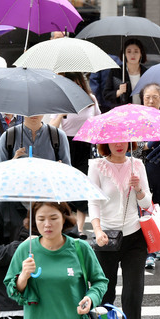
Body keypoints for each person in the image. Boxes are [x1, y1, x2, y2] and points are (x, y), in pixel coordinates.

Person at [5, 201, 108, 319]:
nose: (47, 224)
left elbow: (100, 282)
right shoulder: (25, 249)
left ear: (64, 218)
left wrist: (91, 298)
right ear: (34, 221)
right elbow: (11, 290)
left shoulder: (80, 248)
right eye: (41, 219)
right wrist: (23, 277)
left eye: (53, 218)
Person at [88, 142, 152, 319]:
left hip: (134, 237)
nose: (119, 144)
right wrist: (97, 230)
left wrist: (138, 188)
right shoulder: (96, 166)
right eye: (114, 140)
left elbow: (147, 203)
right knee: (105, 294)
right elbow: (93, 202)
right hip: (106, 238)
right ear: (106, 143)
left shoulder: (137, 165)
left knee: (133, 293)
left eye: (123, 139)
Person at [50, 72, 101, 238]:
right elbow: (52, 127)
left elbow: (99, 121)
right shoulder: (59, 101)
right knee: (67, 186)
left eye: (77, 84)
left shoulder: (91, 99)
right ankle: (69, 224)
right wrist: (60, 112)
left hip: (86, 145)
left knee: (83, 186)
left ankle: (79, 228)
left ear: (82, 84)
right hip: (66, 144)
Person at [134, 83, 160, 268]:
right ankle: (148, 251)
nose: (150, 101)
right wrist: (148, 145)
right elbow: (132, 149)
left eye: (154, 97)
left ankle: (157, 243)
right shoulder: (136, 120)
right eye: (147, 97)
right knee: (144, 209)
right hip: (143, 168)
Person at [0, 115, 71, 165]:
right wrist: (13, 162)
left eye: (38, 107)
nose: (34, 113)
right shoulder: (8, 136)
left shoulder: (58, 136)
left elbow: (67, 170)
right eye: (29, 108)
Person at [103, 39, 148, 106]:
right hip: (122, 112)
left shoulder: (146, 73)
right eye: (129, 52)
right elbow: (106, 95)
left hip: (142, 110)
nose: (132, 55)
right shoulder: (116, 71)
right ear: (124, 54)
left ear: (141, 54)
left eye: (136, 52)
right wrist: (119, 92)